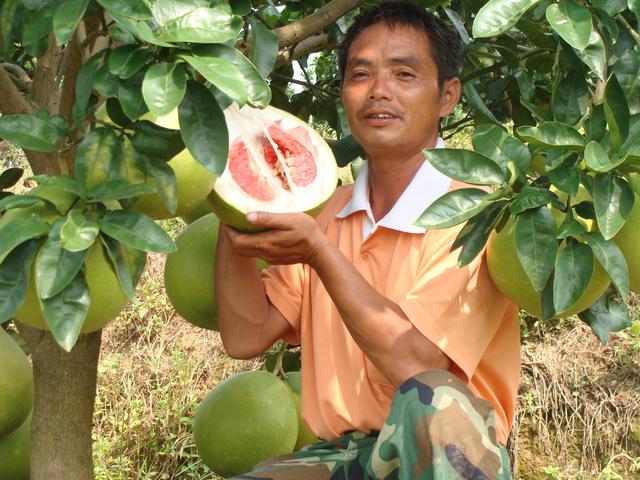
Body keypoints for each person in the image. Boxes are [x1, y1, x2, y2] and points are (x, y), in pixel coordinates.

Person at [215, 1, 520, 478]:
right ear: (343, 94)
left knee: (434, 404)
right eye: (361, 75)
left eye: (404, 75)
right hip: (344, 455)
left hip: (450, 454)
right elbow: (244, 334)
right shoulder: (325, 211)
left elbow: (417, 365)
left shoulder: (477, 211)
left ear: (447, 95)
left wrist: (320, 254)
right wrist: (229, 191)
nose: (379, 91)